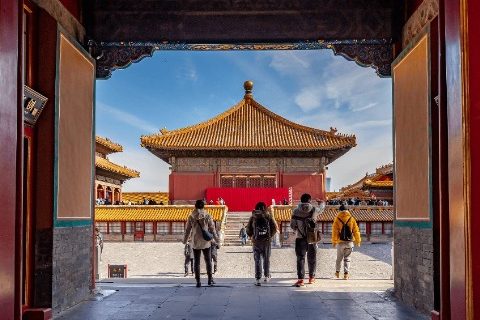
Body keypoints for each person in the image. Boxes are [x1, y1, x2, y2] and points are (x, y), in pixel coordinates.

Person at [183, 200, 219, 287]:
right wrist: (217, 239)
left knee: (197, 262)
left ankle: (198, 281)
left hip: (195, 241)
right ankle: (210, 279)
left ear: (195, 206)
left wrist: (185, 240)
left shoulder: (191, 216)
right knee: (208, 261)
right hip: (206, 241)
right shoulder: (207, 215)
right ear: (203, 206)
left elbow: (187, 230)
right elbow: (213, 229)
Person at [290, 193, 321, 287]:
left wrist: (298, 227)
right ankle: (312, 278)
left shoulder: (295, 211)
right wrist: (321, 202)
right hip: (312, 238)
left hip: (300, 238)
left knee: (300, 259)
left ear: (301, 200)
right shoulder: (314, 209)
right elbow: (323, 208)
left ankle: (300, 280)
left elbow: (292, 226)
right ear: (309, 200)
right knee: (312, 258)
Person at [246, 202, 278, 286]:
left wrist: (252, 236)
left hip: (256, 242)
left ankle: (258, 278)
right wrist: (269, 236)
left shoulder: (253, 217)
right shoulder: (268, 216)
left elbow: (248, 230)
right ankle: (267, 276)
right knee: (266, 259)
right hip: (266, 242)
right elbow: (275, 228)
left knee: (257, 260)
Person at [332, 204, 361, 280]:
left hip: (340, 242)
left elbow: (335, 231)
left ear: (340, 211)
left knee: (339, 258)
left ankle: (337, 272)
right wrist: (358, 241)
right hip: (349, 242)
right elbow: (356, 231)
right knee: (347, 258)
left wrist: (334, 242)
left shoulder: (337, 219)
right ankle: (346, 274)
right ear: (347, 210)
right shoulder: (351, 219)